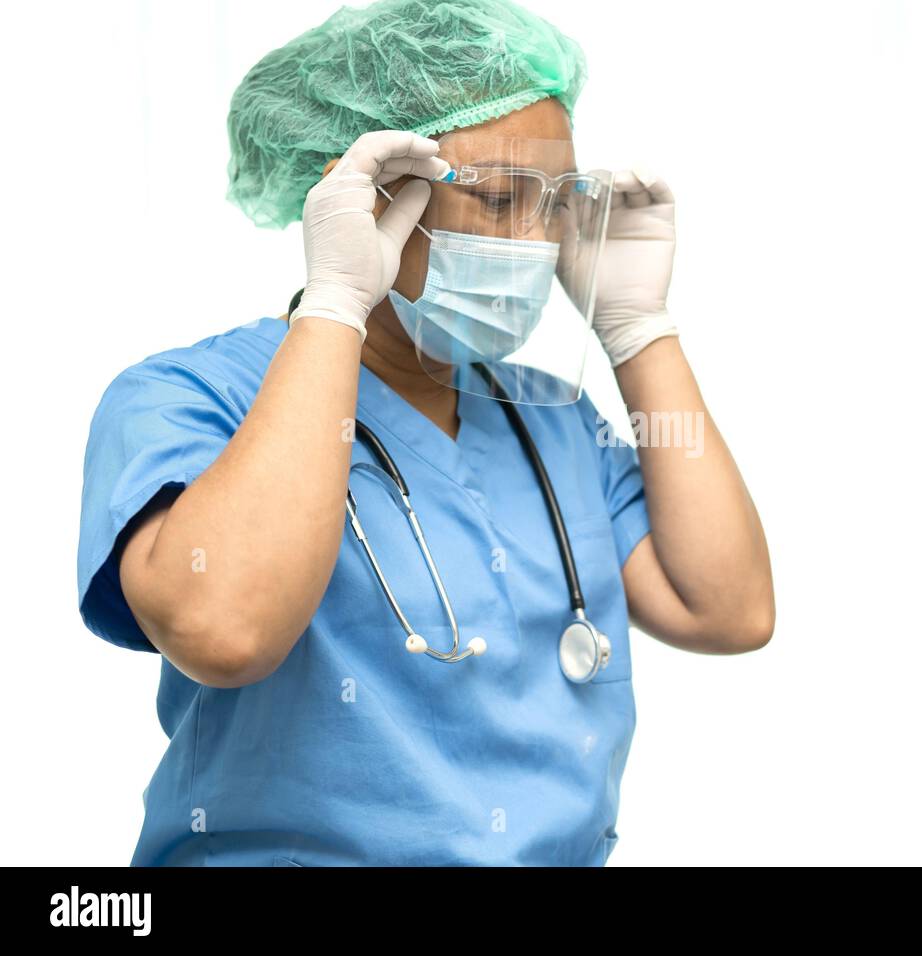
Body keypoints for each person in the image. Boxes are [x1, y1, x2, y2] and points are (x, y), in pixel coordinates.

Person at [76, 0, 774, 866]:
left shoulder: (548, 420)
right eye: (497, 197)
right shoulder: (184, 397)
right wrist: (336, 303)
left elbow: (730, 608)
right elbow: (227, 632)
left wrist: (638, 330)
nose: (537, 242)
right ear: (362, 197)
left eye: (555, 206)